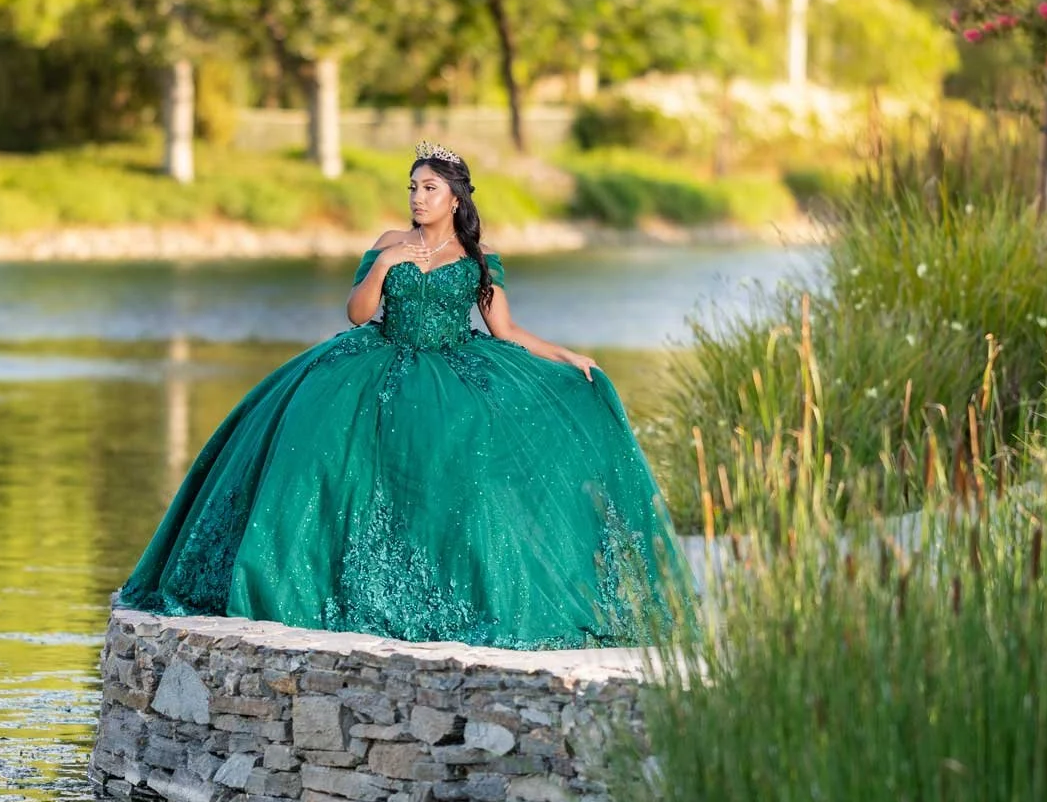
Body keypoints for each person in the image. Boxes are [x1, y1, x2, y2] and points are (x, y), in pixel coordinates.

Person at [113, 141, 692, 648]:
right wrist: (386, 262)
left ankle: (447, 592)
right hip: (377, 361)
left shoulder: (479, 262)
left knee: (467, 469)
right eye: (412, 187)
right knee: (320, 460)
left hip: (454, 370)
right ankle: (305, 583)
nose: (417, 197)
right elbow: (358, 312)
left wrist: (569, 356)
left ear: (455, 200)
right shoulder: (390, 243)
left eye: (429, 188)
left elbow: (507, 332)